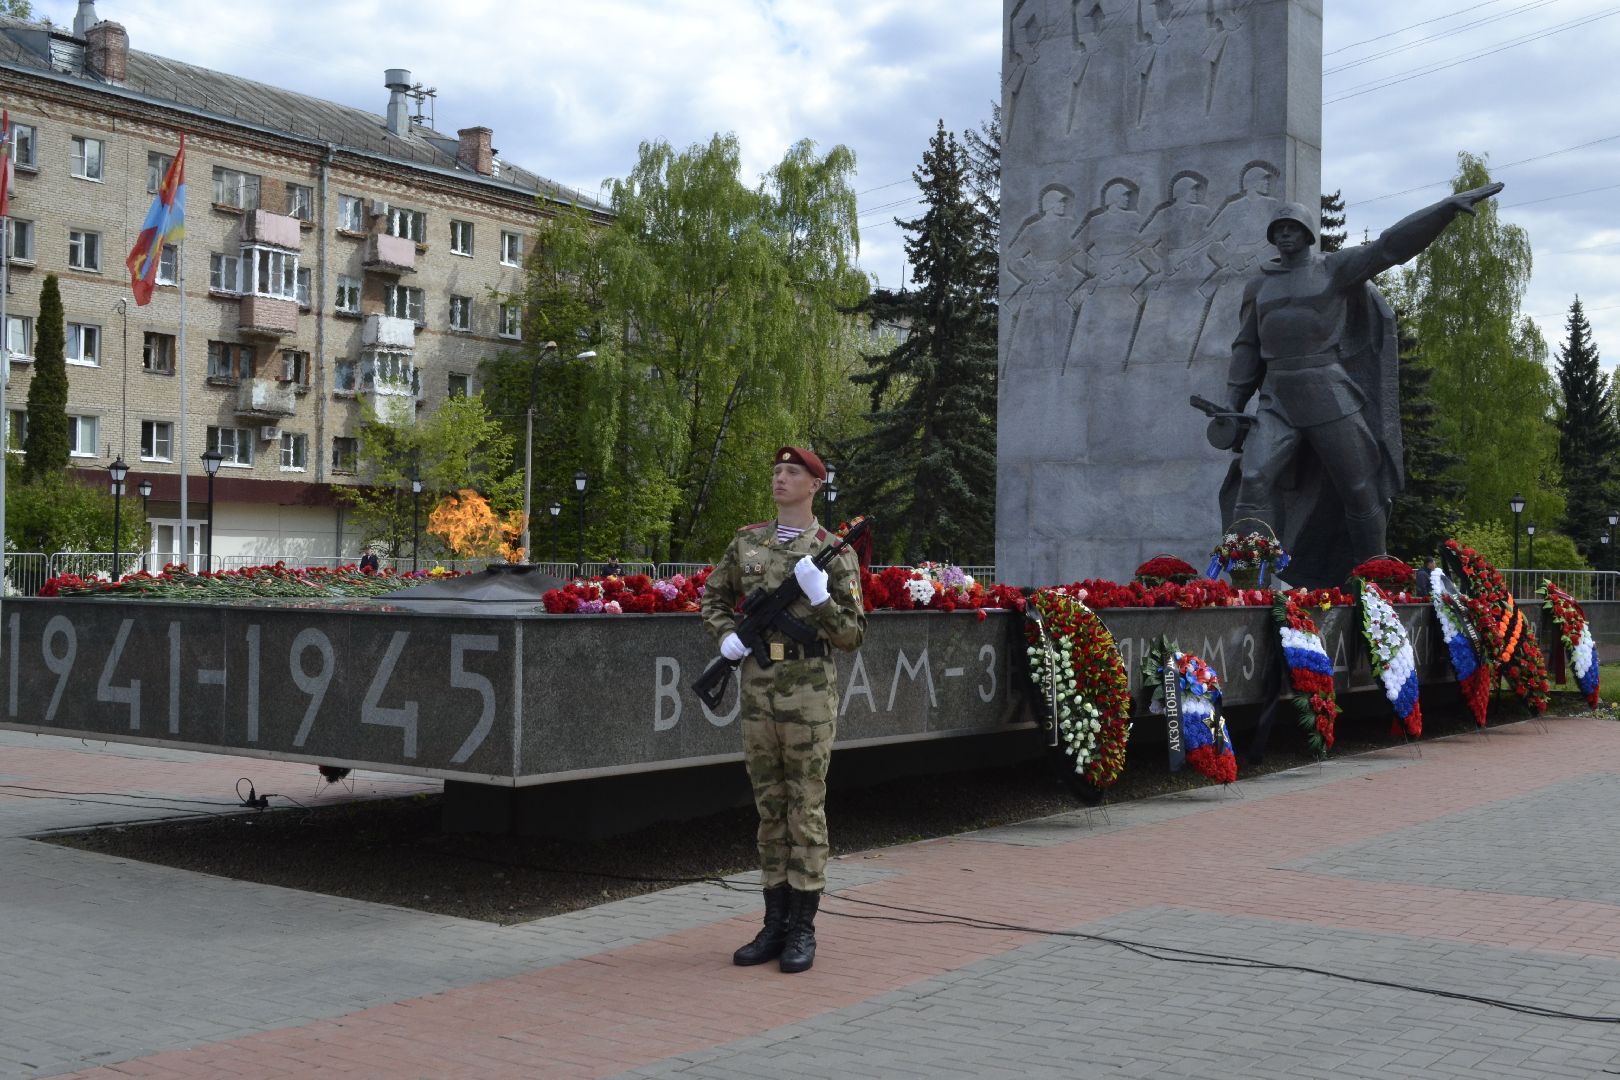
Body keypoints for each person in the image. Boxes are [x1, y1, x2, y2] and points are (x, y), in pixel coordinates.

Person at [1223, 181, 1502, 584]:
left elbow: (1389, 247)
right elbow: (1246, 347)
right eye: (1278, 229)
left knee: (1360, 488)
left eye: (1292, 228)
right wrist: (1234, 404)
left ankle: (1376, 579)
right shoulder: (1259, 285)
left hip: (1329, 392)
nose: (1284, 234)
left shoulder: (1332, 269)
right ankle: (1247, 586)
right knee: (1253, 479)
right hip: (1277, 399)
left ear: (1307, 234)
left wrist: (1442, 210)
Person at [701, 446, 866, 973]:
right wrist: (728, 639)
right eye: (775, 471)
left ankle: (802, 928)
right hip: (758, 689)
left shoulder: (834, 553)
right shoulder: (748, 542)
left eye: (793, 472)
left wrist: (819, 599)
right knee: (769, 809)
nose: (781, 478)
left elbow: (852, 635)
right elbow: (713, 598)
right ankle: (773, 924)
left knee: (806, 809)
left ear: (815, 485)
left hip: (810, 691)